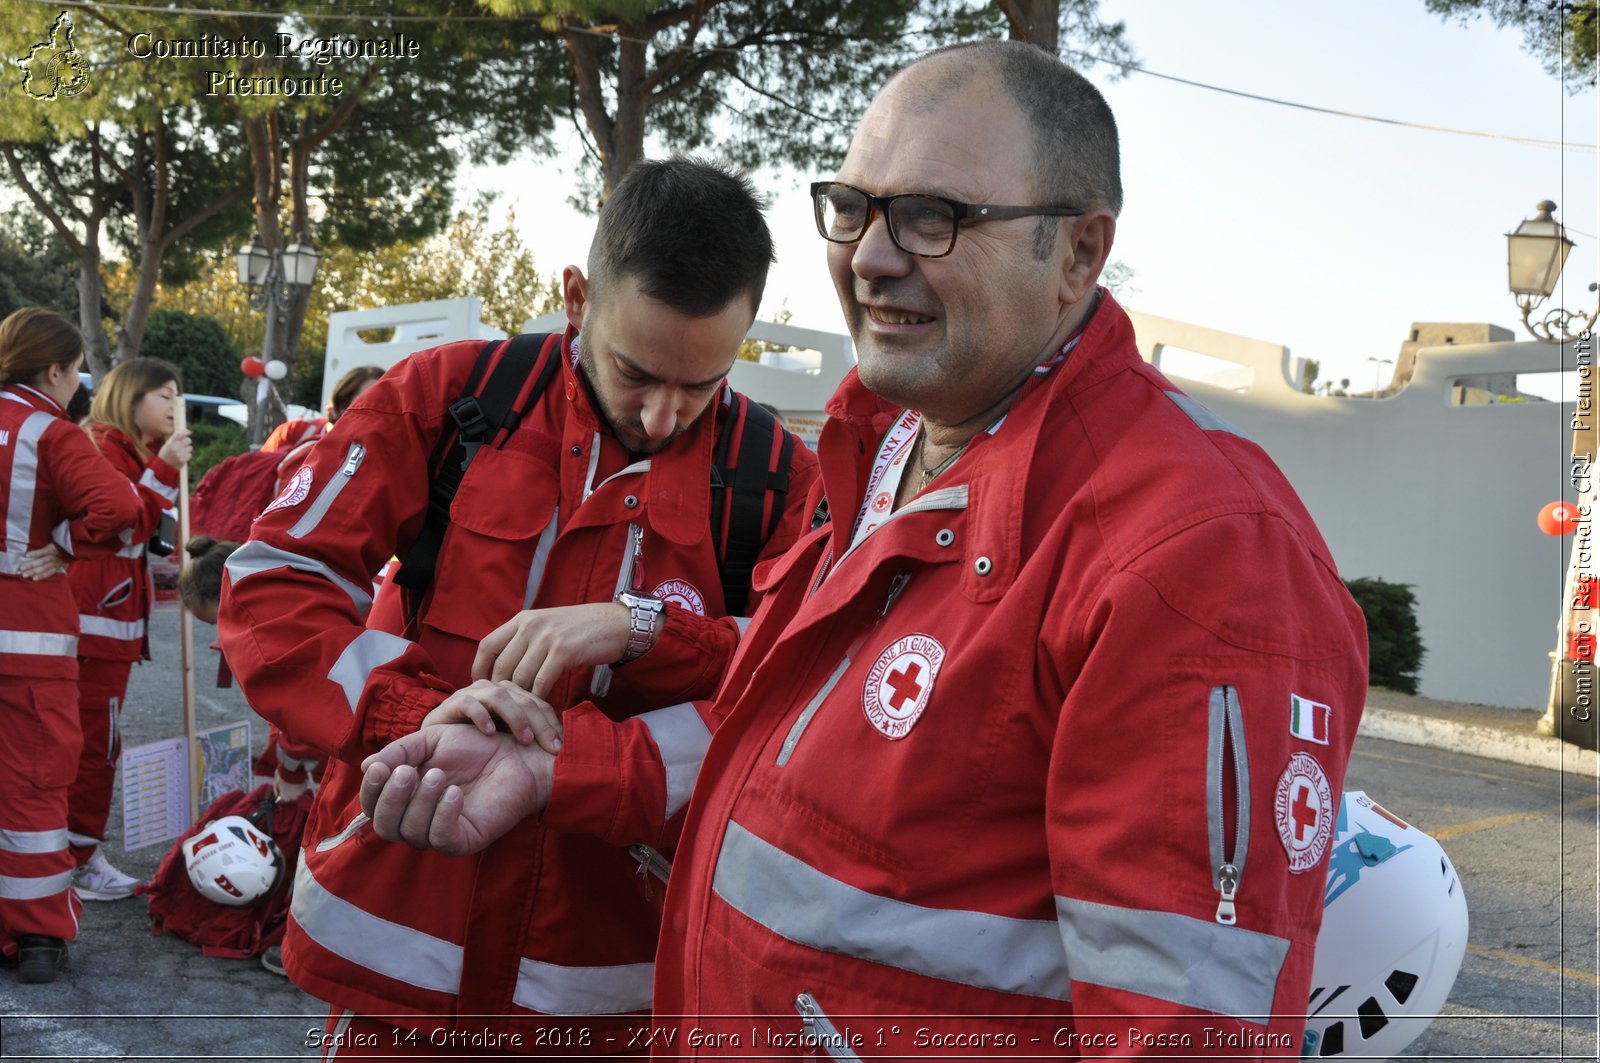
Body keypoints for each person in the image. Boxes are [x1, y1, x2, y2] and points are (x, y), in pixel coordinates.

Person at [359, 41, 1371, 1057]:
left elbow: (1187, 1030)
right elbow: (764, 751)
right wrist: (551, 768)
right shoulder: (877, 447)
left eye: (937, 217)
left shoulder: (1199, 549)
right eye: (854, 208)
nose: (873, 257)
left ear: (1079, 253)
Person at [217, 157, 820, 1052]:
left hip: (602, 975)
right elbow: (273, 581)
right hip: (403, 949)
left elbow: (791, 688)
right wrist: (408, 711)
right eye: (635, 372)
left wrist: (642, 628)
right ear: (577, 298)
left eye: (701, 385)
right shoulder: (455, 395)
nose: (662, 416)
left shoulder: (773, 475)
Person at [0, 308, 142, 983]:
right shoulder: (48, 431)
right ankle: (35, 936)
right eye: (77, 369)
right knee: (34, 786)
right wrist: (62, 547)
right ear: (53, 370)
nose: (79, 381)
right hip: (25, 638)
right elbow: (119, 508)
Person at [65, 357, 193, 901]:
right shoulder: (98, 445)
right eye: (163, 395)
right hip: (91, 623)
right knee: (93, 746)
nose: (173, 406)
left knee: (93, 744)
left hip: (108, 622)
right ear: (130, 397)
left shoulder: (119, 448)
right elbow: (122, 521)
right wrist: (162, 469)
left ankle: (74, 853)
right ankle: (76, 858)